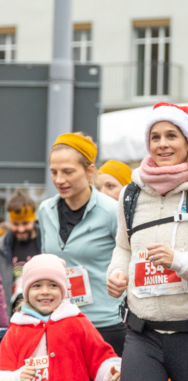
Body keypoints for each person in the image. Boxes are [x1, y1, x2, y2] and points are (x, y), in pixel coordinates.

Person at [106, 102, 188, 381]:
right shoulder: (130, 194)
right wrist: (117, 273)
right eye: (155, 137)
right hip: (142, 335)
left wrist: (179, 261)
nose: (162, 144)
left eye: (171, 135)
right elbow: (124, 246)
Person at [38, 132, 125, 355]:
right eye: (54, 172)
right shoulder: (45, 210)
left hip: (106, 324)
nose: (59, 180)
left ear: (89, 171)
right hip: (60, 320)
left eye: (68, 172)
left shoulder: (112, 211)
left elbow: (130, 258)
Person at [0, 253, 121, 381]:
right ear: (26, 291)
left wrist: (111, 372)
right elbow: (3, 369)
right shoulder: (16, 330)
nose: (45, 291)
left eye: (53, 285)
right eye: (37, 285)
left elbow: (100, 356)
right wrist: (17, 377)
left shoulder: (78, 322)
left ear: (63, 290)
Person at [0, 191, 40, 317]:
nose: (21, 229)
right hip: (12, 318)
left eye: (25, 223)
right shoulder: (2, 247)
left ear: (33, 219)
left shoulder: (47, 244)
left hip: (42, 314)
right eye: (16, 224)